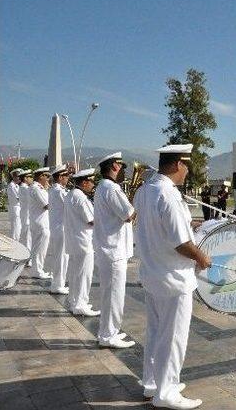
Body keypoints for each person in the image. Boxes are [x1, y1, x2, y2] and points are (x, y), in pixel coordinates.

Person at [134, 144, 207, 409]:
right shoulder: (169, 194)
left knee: (156, 332)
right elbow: (181, 244)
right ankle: (167, 393)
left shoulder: (145, 190)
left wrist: (190, 225)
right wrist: (202, 257)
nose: (187, 172)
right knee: (174, 336)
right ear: (179, 164)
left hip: (153, 273)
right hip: (174, 277)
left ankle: (153, 384)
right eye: (187, 166)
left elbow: (158, 227)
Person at [94, 152, 136, 349]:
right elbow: (128, 214)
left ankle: (108, 332)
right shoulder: (111, 189)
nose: (124, 171)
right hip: (113, 251)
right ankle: (108, 335)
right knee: (114, 296)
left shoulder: (106, 187)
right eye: (122, 167)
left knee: (111, 295)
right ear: (115, 166)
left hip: (111, 250)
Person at [65, 168, 100, 316]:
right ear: (85, 182)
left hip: (74, 240)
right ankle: (81, 304)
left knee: (75, 273)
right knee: (84, 275)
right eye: (92, 181)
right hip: (83, 242)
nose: (93, 185)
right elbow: (92, 220)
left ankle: (74, 301)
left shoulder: (71, 194)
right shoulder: (81, 198)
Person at [48, 164, 70, 294]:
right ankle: (58, 285)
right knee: (61, 257)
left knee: (61, 257)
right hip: (61, 227)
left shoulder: (55, 190)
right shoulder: (59, 191)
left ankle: (57, 283)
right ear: (60, 177)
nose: (68, 178)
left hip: (58, 227)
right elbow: (70, 206)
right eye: (66, 176)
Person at [29, 167, 52, 279]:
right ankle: (37, 271)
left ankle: (38, 269)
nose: (48, 178)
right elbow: (47, 205)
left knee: (40, 248)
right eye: (46, 176)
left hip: (41, 221)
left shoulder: (38, 188)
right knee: (39, 248)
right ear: (40, 176)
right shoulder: (36, 188)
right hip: (40, 223)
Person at [18, 169, 33, 251]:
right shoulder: (25, 188)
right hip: (27, 215)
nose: (32, 178)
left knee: (25, 236)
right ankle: (28, 258)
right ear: (25, 178)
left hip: (25, 214)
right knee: (28, 237)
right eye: (30, 177)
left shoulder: (24, 187)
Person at [7, 168, 22, 241]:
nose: (19, 178)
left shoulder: (17, 186)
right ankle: (15, 242)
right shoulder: (12, 186)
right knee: (16, 228)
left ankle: (15, 241)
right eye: (18, 176)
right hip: (15, 208)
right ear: (14, 177)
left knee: (17, 227)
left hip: (18, 208)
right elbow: (18, 198)